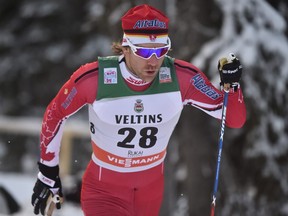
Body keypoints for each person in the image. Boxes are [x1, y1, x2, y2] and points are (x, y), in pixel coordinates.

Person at [31, 4, 246, 216]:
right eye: (143, 51)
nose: (153, 61)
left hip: (150, 194)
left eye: (160, 51)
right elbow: (55, 113)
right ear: (125, 48)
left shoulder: (182, 78)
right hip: (104, 192)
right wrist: (48, 172)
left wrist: (232, 86)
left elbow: (233, 119)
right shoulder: (95, 78)